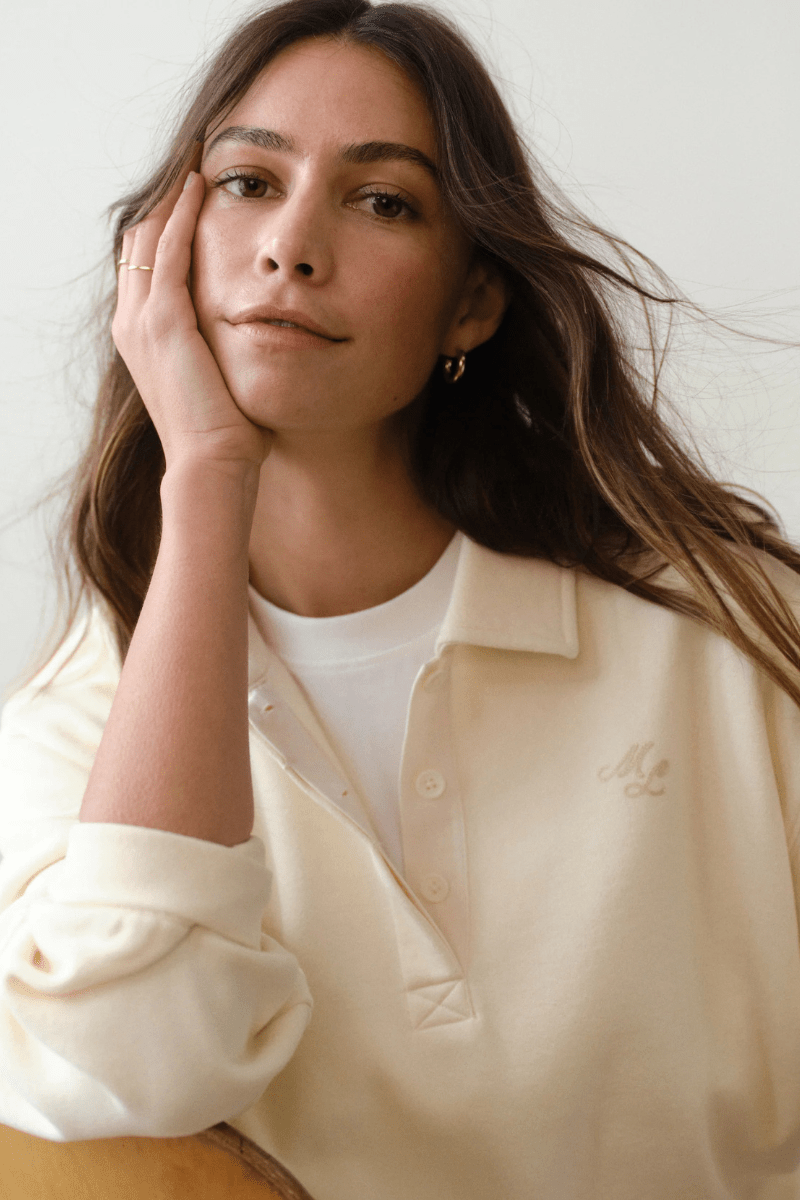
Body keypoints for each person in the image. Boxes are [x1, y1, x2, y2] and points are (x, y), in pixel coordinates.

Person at [1, 0, 799, 1196]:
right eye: (247, 183)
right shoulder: (69, 731)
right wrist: (207, 474)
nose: (292, 246)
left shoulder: (724, 638)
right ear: (159, 256)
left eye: (381, 201)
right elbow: (136, 1068)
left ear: (470, 303)